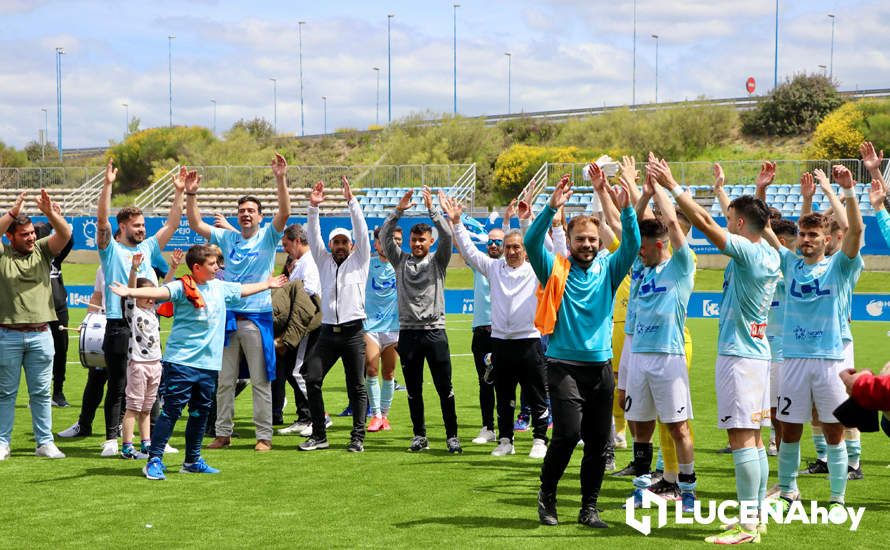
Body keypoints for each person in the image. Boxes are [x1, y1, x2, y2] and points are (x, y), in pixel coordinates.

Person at [649, 157, 779, 545]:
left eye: (731, 219)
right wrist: (752, 193)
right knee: (753, 439)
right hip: (756, 353)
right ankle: (755, 517)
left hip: (740, 357)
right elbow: (751, 220)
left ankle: (748, 524)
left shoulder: (751, 253)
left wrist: (673, 185)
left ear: (740, 226)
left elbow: (706, 224)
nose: (726, 222)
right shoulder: (770, 251)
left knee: (741, 438)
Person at [109, 244, 287, 479]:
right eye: (212, 264)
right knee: (171, 412)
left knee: (200, 413)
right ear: (197, 267)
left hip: (209, 365)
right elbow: (159, 293)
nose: (217, 267)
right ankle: (154, 459)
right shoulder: (183, 286)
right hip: (181, 363)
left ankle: (192, 460)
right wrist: (131, 293)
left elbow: (242, 289)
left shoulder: (219, 287)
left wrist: (267, 284)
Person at [526, 174, 640, 529]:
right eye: (580, 239)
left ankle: (589, 508)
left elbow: (632, 245)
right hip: (563, 367)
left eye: (592, 239)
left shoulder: (608, 268)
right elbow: (531, 243)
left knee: (598, 443)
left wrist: (627, 211)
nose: (587, 244)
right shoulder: (555, 269)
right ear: (570, 242)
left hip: (600, 368)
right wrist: (550, 208)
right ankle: (547, 495)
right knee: (567, 434)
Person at [764, 165, 864, 516]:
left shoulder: (840, 267)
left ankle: (837, 497)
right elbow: (763, 230)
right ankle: (789, 491)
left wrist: (845, 190)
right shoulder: (790, 264)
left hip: (829, 361)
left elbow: (855, 230)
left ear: (826, 241)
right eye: (803, 235)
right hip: (793, 358)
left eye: (813, 236)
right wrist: (762, 190)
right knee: (789, 430)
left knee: (834, 431)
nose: (806, 240)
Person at [80, 159, 183, 458]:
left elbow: (172, 224)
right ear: (122, 227)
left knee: (152, 381)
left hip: (145, 322)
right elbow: (101, 222)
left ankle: (153, 440)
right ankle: (112, 440)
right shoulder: (110, 249)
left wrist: (178, 193)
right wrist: (108, 185)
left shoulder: (148, 246)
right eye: (137, 226)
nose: (142, 230)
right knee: (119, 383)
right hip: (117, 322)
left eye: (143, 226)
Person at [189, 154, 291, 452]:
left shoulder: (268, 238)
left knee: (260, 380)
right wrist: (192, 194)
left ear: (260, 216)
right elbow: (195, 223)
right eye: (242, 210)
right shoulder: (228, 239)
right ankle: (223, 433)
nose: (246, 214)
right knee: (225, 380)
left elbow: (284, 212)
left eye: (251, 211)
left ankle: (263, 436)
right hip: (228, 317)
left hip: (257, 318)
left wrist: (280, 179)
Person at [444, 194, 549, 459]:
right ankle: (505, 440)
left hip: (529, 341)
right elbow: (468, 251)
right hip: (501, 343)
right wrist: (457, 224)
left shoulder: (536, 268)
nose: (512, 251)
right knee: (504, 396)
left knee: (536, 393)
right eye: (508, 246)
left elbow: (547, 248)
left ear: (525, 250)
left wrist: (527, 222)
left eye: (517, 247)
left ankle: (539, 439)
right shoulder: (493, 268)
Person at [622, 178, 697, 513]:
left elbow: (676, 230)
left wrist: (665, 190)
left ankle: (688, 492)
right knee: (640, 426)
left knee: (678, 427)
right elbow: (631, 231)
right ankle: (641, 489)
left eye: (645, 247)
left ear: (661, 245)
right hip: (639, 355)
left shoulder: (681, 267)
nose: (639, 251)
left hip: (668, 357)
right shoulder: (641, 265)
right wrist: (644, 197)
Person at [379, 186, 461, 454]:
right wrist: (398, 211)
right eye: (414, 240)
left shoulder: (439, 261)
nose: (416, 244)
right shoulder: (399, 261)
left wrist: (432, 210)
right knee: (413, 390)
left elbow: (448, 236)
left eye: (422, 240)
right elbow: (383, 235)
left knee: (444, 388)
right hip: (409, 334)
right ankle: (419, 435)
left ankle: (452, 437)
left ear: (429, 242)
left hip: (435, 333)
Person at [298, 176, 370, 452]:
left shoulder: (360, 261)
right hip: (328, 332)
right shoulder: (323, 260)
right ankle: (319, 435)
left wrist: (352, 202)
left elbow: (362, 231)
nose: (340, 246)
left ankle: (357, 437)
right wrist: (313, 207)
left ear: (351, 245)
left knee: (357, 386)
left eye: (344, 242)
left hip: (353, 332)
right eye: (335, 242)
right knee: (312, 379)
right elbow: (313, 236)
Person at [0, 189, 72, 460]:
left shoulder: (42, 251)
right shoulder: (3, 254)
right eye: (24, 234)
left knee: (42, 393)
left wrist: (51, 213)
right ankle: (2, 442)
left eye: (32, 233)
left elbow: (64, 235)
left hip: (42, 334)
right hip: (7, 335)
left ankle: (45, 442)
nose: (31, 237)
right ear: (10, 236)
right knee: (5, 393)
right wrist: (12, 212)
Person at [277, 223, 326, 436]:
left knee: (299, 372)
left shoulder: (310, 262)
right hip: (299, 326)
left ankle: (321, 417)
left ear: (297, 241)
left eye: (286, 244)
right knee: (291, 370)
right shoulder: (301, 263)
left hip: (307, 326)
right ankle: (305, 416)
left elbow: (309, 293)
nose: (285, 249)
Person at [119, 253, 163, 459]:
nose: (151, 297)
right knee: (133, 407)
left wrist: (172, 268)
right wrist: (134, 270)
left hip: (156, 364)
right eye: (145, 293)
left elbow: (167, 288)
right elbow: (129, 295)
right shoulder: (134, 311)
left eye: (152, 293)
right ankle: (127, 446)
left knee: (147, 407)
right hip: (138, 364)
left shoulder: (154, 311)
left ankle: (146, 443)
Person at [467, 223, 503, 445]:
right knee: (485, 382)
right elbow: (462, 247)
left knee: (506, 384)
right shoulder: (480, 265)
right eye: (489, 241)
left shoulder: (512, 267)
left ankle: (507, 431)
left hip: (503, 334)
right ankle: (488, 427)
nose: (492, 244)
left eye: (497, 241)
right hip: (481, 332)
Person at [364, 226, 402, 432]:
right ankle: (375, 415)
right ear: (376, 243)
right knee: (371, 367)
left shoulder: (403, 265)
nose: (392, 244)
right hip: (370, 326)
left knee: (389, 373)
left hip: (393, 327)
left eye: (396, 240)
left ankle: (384, 416)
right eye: (386, 240)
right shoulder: (366, 265)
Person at [33, 216, 73, 408]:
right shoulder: (30, 259)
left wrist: (54, 218)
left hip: (59, 311)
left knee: (61, 350)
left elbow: (70, 239)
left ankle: (58, 392)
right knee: (39, 354)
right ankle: (38, 395)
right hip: (37, 310)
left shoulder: (57, 257)